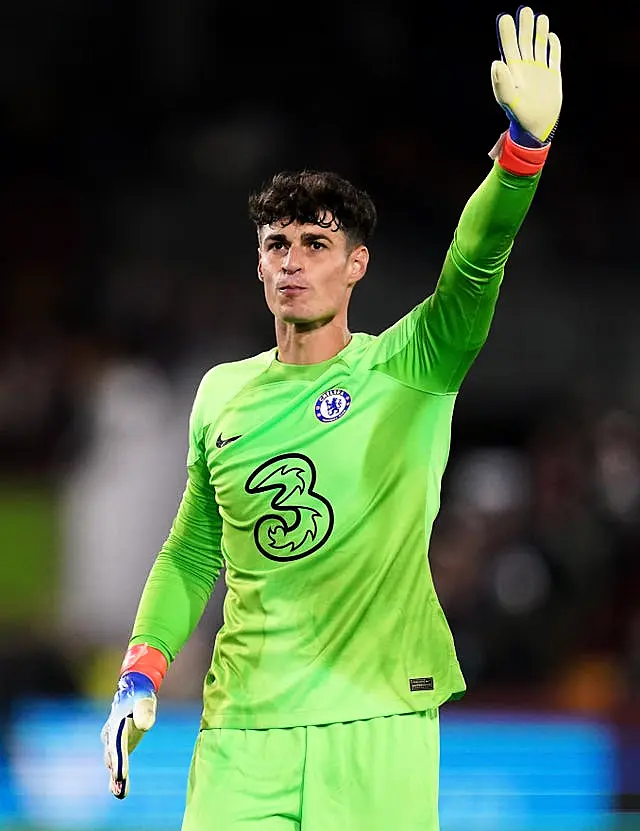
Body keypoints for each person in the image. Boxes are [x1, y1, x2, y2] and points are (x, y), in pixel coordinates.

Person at [101, 6, 562, 829]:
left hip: (379, 718)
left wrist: (520, 157)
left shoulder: (412, 364)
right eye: (277, 243)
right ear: (256, 263)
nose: (292, 260)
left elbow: (475, 262)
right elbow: (195, 545)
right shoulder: (221, 394)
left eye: (316, 243)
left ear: (357, 264)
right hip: (243, 727)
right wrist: (141, 671)